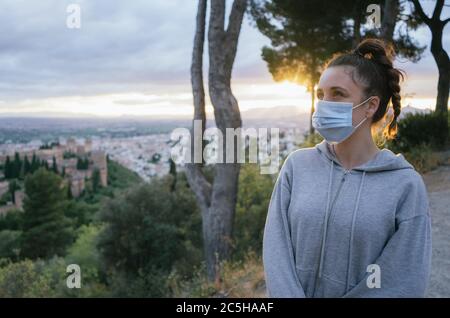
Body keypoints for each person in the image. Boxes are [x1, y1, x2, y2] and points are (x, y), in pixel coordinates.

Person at [263, 38, 432, 298]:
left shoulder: (405, 186)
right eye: (321, 95)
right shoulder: (297, 166)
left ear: (370, 106)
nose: (323, 104)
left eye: (338, 94)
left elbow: (403, 279)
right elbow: (277, 250)